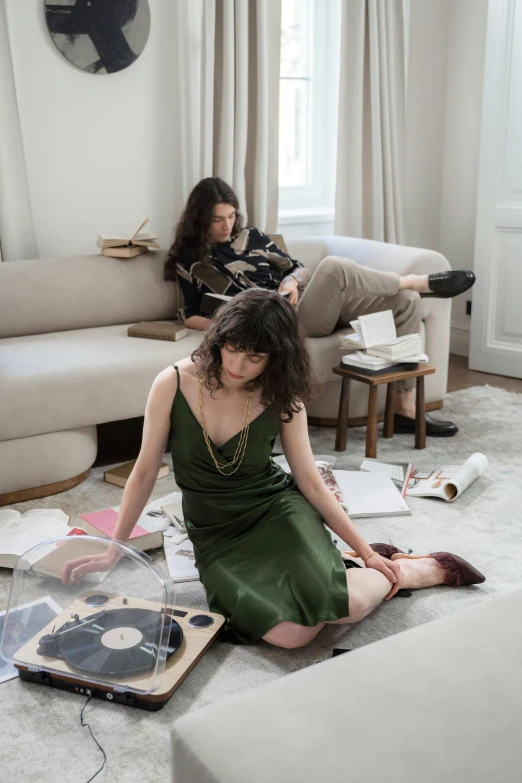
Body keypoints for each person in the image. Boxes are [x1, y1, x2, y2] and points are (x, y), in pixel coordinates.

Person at [62, 289, 485, 648]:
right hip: (217, 535)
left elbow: (311, 484)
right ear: (218, 338)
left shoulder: (283, 395)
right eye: (231, 347)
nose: (238, 365)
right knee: (293, 636)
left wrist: (369, 550)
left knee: (349, 607)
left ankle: (405, 569)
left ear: (275, 357)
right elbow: (143, 472)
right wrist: (111, 551)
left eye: (255, 356)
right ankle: (357, 566)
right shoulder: (172, 382)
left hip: (276, 510)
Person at [164, 177, 476, 437]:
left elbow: (299, 268)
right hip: (277, 321)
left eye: (231, 216)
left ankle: (404, 409)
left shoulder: (252, 237)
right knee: (335, 267)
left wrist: (290, 282)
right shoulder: (191, 260)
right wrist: (233, 326)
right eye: (218, 219)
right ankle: (414, 280)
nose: (226, 225)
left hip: (307, 305)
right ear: (200, 218)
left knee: (407, 304)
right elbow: (189, 315)